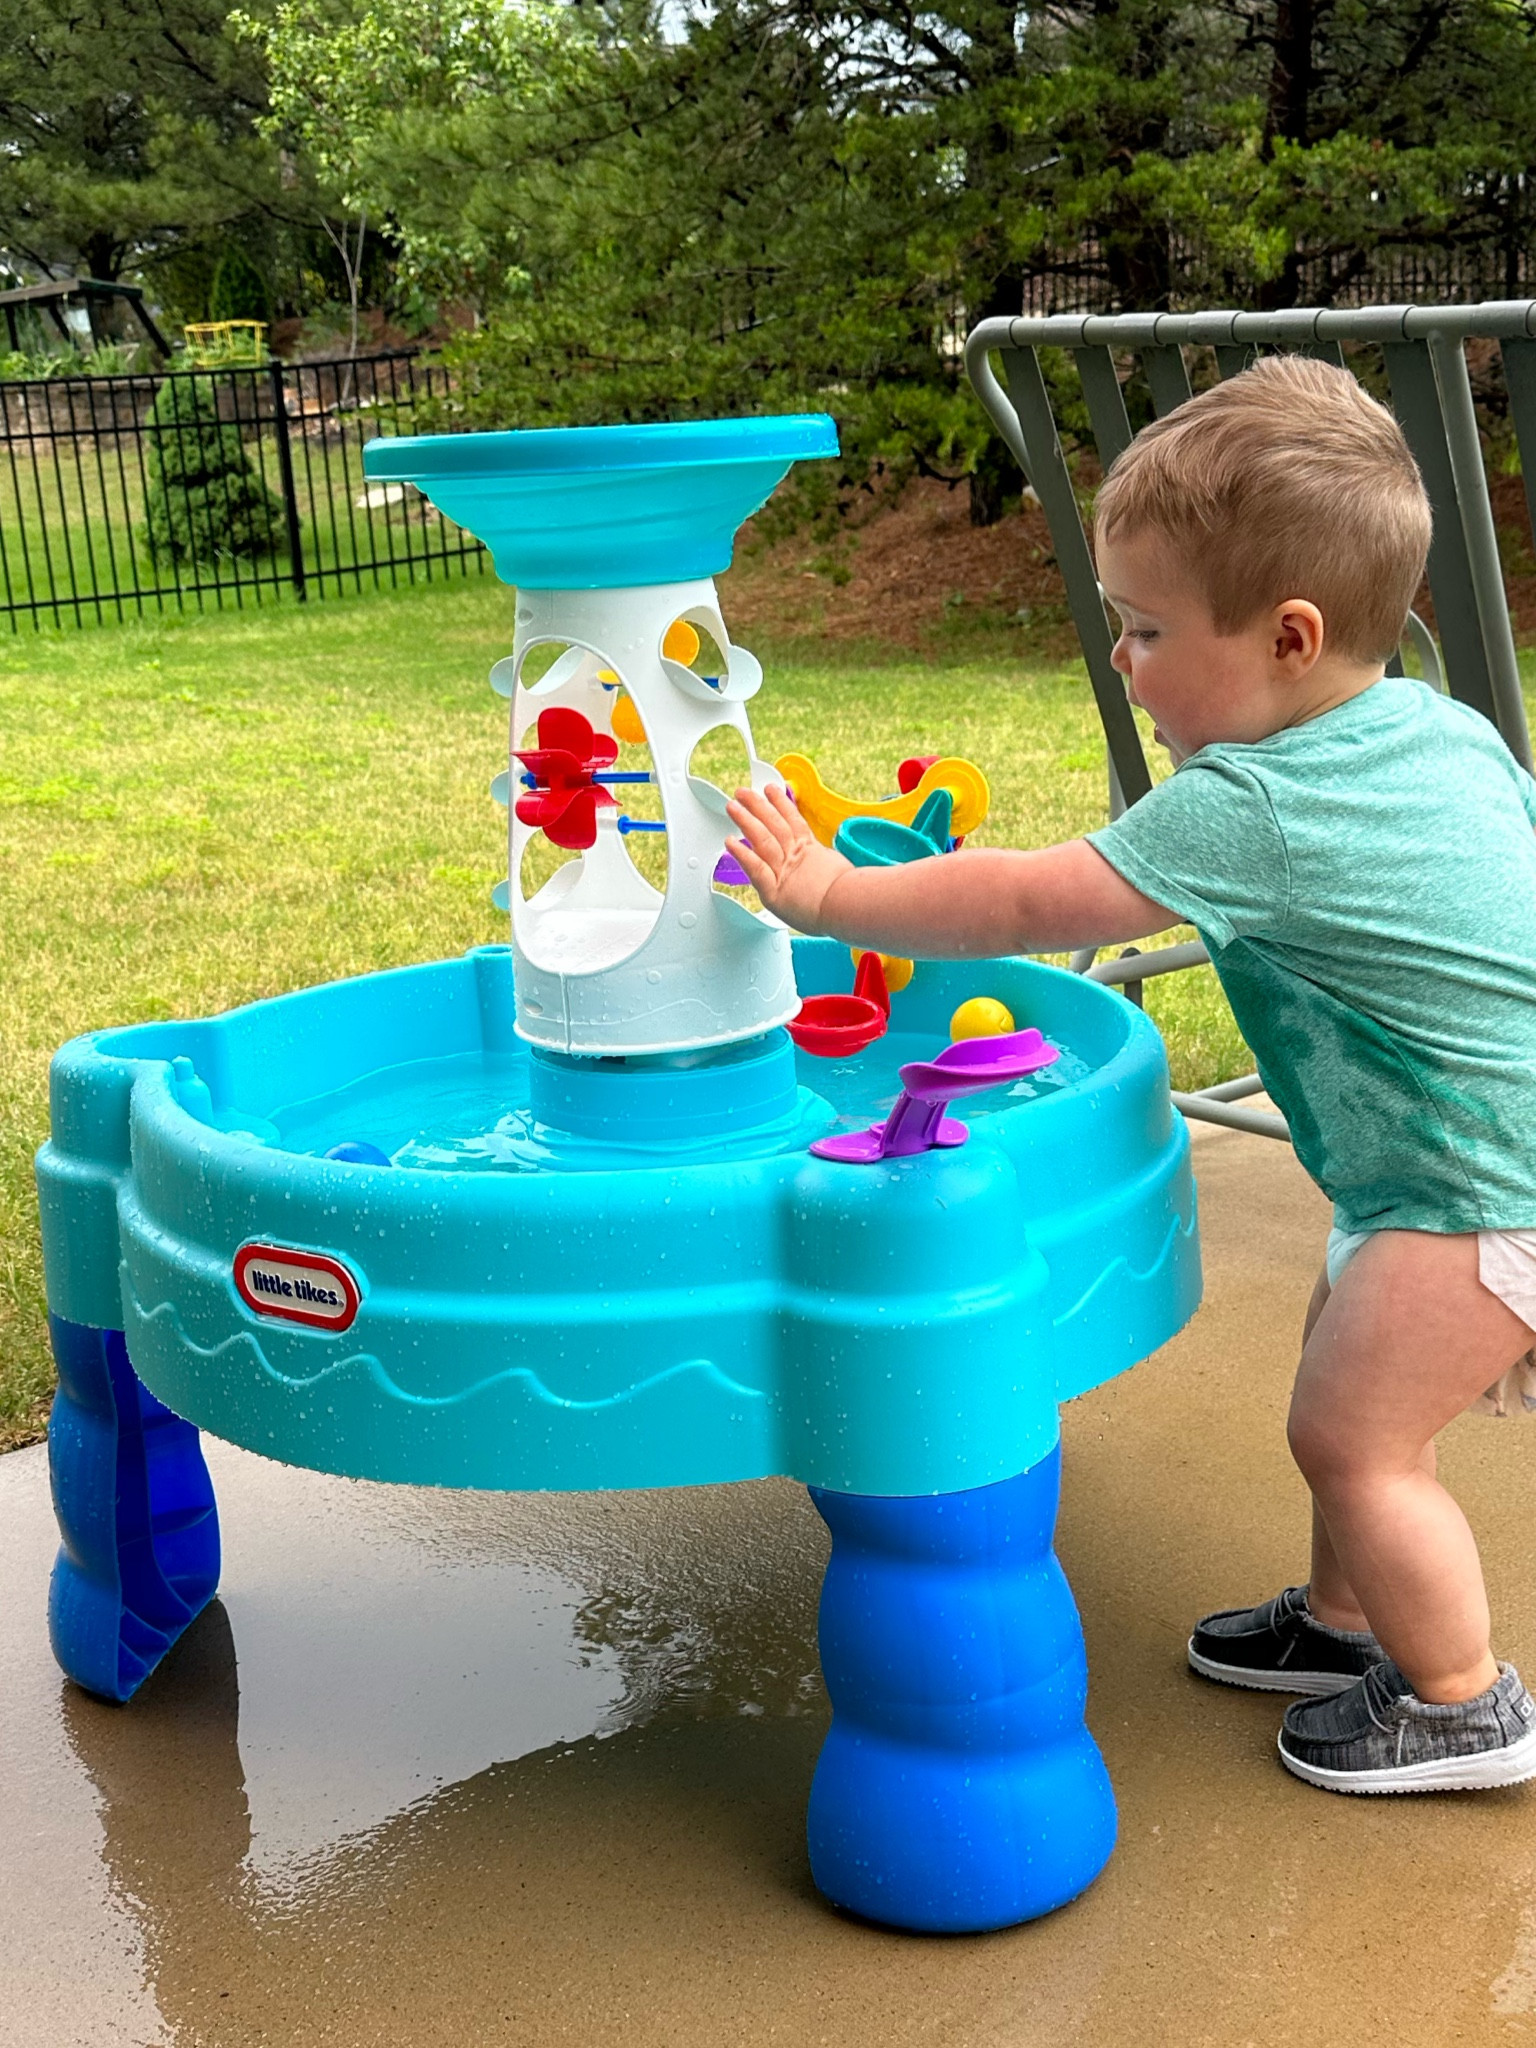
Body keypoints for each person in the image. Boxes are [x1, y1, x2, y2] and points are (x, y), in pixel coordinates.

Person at [725, 353, 1536, 1796]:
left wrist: (834, 899)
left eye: (1147, 631)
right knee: (1341, 1379)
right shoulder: (1436, 722)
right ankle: (1350, 1630)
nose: (1122, 661)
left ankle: (1465, 1701)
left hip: (1480, 1188)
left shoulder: (1255, 804)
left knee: (1353, 1437)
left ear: (1290, 638)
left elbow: (1035, 903)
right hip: (1453, 1162)